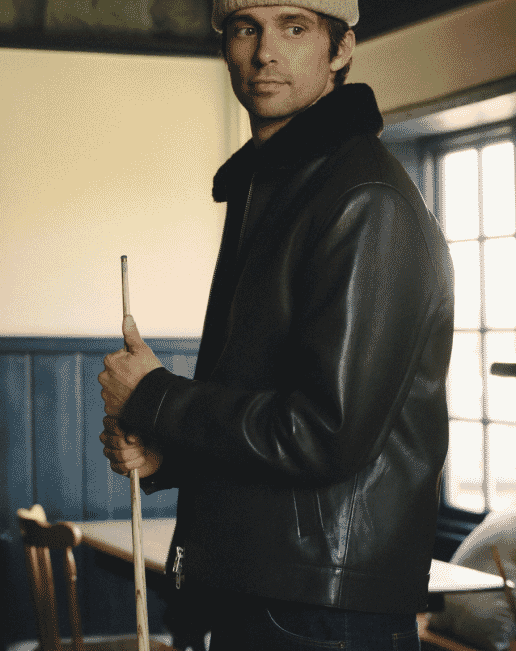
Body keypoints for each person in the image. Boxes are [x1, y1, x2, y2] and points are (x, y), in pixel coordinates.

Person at [97, 1, 454, 650]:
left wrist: (154, 397)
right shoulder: (274, 184)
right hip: (257, 592)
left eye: (293, 28)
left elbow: (326, 432)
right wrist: (169, 452)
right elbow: (266, 392)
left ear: (341, 50)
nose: (265, 51)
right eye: (244, 28)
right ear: (224, 45)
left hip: (320, 610)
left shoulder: (363, 198)